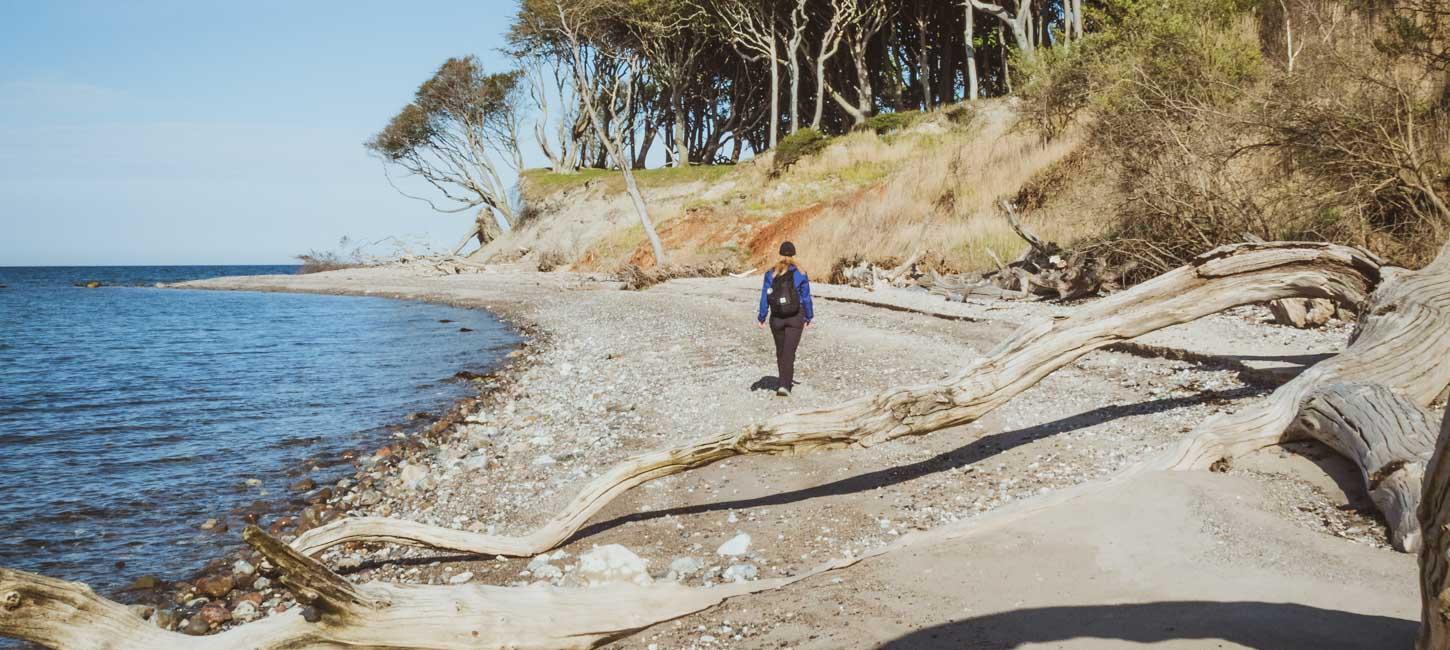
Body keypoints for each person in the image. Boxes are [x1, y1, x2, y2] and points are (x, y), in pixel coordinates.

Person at [757, 241, 814, 397]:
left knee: (781, 350)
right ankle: (784, 385)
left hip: (776, 317)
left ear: (780, 253)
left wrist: (762, 316)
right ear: (793, 254)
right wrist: (809, 315)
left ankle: (783, 381)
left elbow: (765, 295)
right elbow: (806, 297)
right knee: (789, 351)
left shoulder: (771, 272)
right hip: (796, 316)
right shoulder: (801, 272)